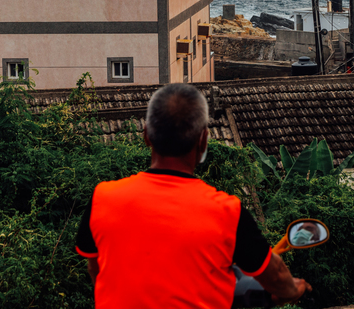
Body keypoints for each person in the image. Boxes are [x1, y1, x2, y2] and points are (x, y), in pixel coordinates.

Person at [74, 83, 311, 308]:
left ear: (146, 135)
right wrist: (294, 290)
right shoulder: (227, 212)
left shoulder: (102, 198)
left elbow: (96, 269)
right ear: (203, 139)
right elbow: (275, 274)